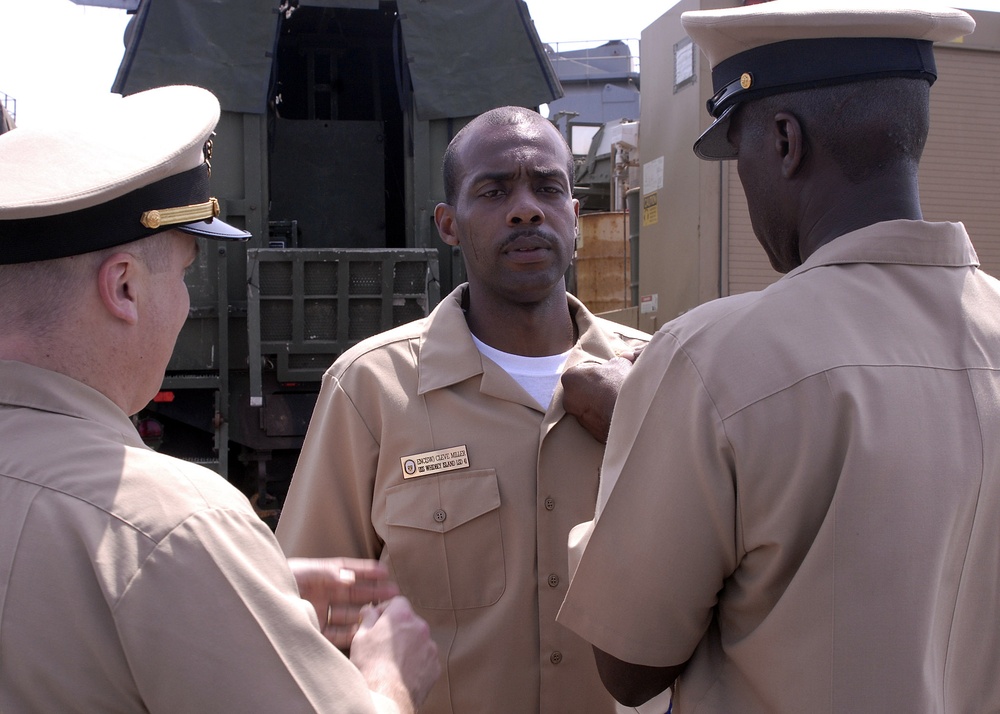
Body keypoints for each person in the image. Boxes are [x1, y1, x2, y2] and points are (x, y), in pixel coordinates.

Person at [556, 1, 1000, 712]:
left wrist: (639, 447)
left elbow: (629, 665)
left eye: (743, 154)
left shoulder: (711, 361)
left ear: (786, 142)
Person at [0, 84, 439, 713]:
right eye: (180, 274)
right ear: (123, 287)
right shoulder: (175, 525)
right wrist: (389, 679)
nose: (182, 301)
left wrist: (241, 588)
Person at [276, 105, 649, 713]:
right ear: (448, 224)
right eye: (494, 191)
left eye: (548, 188)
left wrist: (645, 426)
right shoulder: (372, 389)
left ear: (575, 217)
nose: (526, 208)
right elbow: (306, 610)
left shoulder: (660, 378)